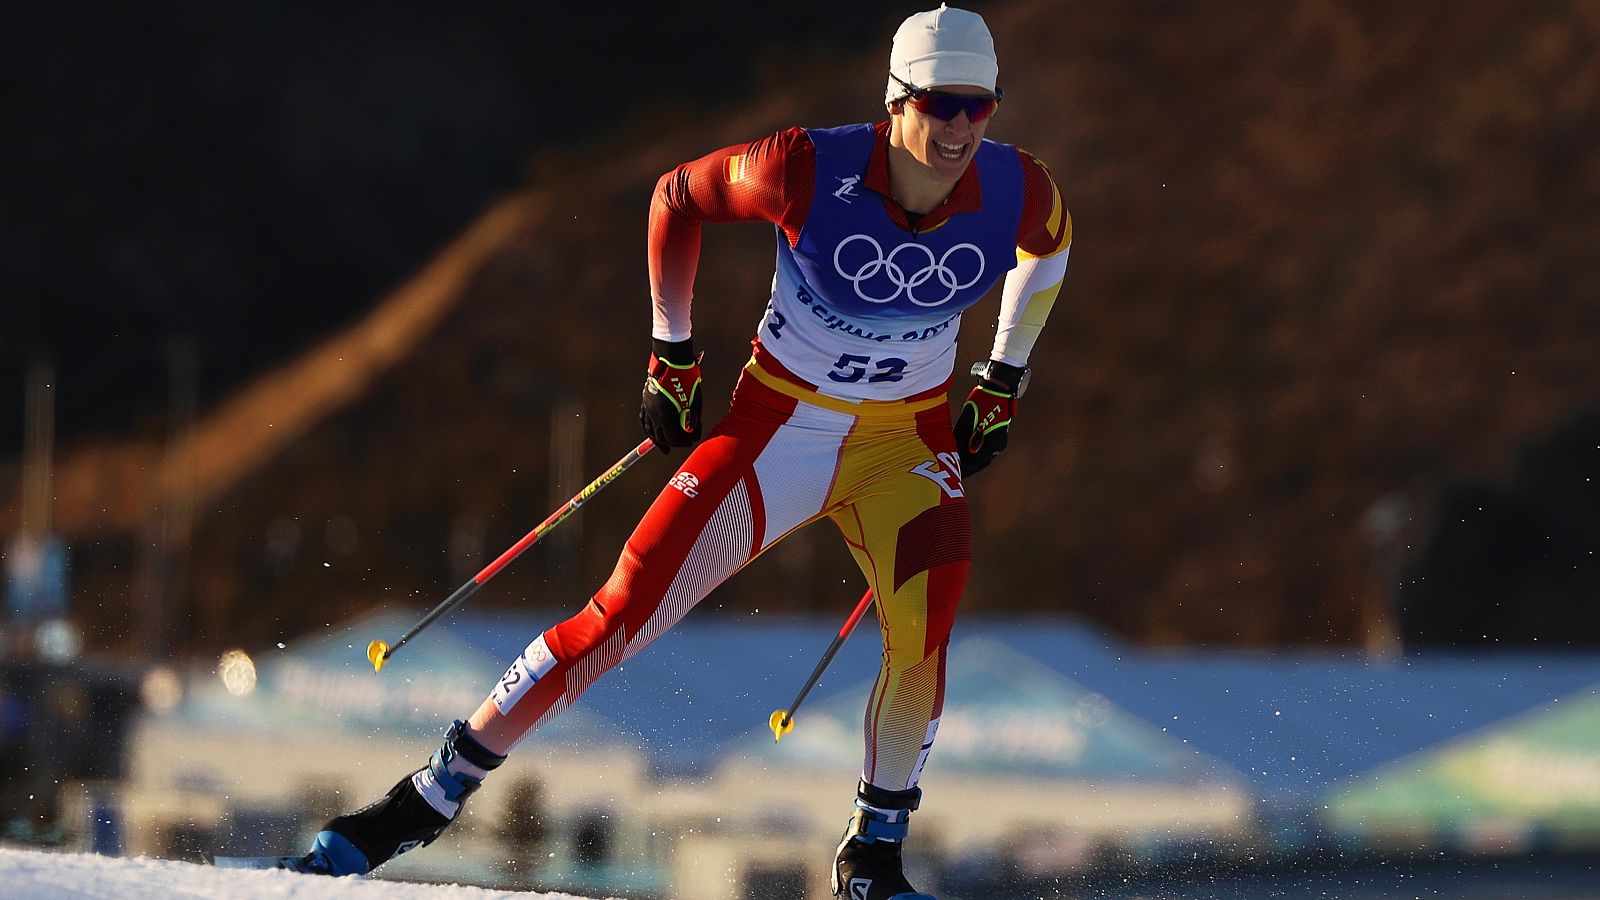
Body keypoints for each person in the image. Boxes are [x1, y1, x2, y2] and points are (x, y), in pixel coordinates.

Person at [292, 6, 1070, 898]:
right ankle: (422, 802)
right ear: (896, 101)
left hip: (909, 442)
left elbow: (1050, 252)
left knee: (924, 639)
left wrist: (1003, 375)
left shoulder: (1019, 190)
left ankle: (873, 859)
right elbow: (676, 198)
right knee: (621, 616)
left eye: (980, 105)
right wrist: (673, 351)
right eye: (941, 103)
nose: (961, 128)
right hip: (778, 428)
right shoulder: (802, 168)